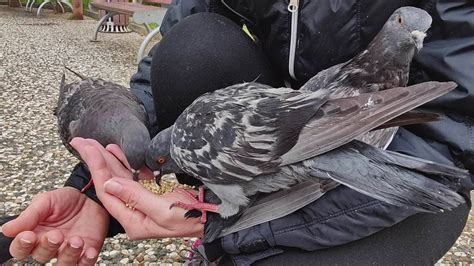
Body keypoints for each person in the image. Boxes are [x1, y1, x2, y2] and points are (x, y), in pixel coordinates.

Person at [3, 0, 473, 265]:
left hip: (408, 157)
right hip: (292, 117)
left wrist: (221, 230)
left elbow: (457, 133)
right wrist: (99, 193)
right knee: (195, 45)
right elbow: (160, 66)